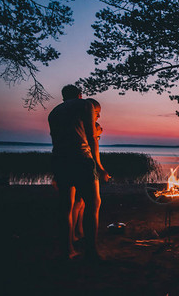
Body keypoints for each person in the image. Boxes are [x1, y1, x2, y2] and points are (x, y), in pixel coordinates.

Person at [48, 85, 110, 260]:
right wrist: (99, 165)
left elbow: (57, 138)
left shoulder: (54, 112)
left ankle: (67, 251)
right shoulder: (84, 105)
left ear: (63, 97)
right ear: (80, 95)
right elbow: (90, 137)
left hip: (59, 160)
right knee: (93, 203)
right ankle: (91, 251)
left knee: (65, 208)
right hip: (81, 159)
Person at [72, 98, 103, 242]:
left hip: (69, 161)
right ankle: (76, 236)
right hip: (83, 162)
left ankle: (78, 231)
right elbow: (91, 139)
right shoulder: (88, 126)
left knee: (80, 202)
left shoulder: (75, 123)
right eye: (96, 112)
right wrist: (99, 167)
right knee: (82, 202)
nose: (98, 115)